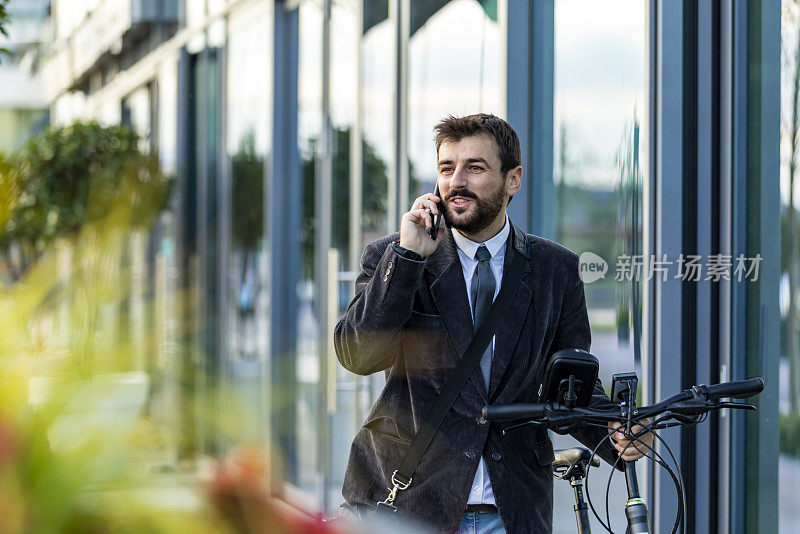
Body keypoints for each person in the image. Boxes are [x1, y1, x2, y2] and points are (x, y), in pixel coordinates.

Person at [334, 114, 653, 533]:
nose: (456, 181)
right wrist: (409, 258)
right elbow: (358, 355)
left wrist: (617, 434)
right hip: (409, 505)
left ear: (513, 180)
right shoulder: (394, 256)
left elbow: (572, 385)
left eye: (475, 167)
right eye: (447, 168)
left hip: (511, 511)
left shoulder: (555, 269)